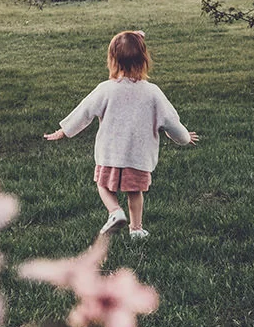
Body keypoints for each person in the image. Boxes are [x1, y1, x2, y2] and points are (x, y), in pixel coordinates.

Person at [44, 30, 198, 239]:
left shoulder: (106, 89)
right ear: (144, 60)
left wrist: (65, 130)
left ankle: (115, 212)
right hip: (138, 156)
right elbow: (171, 121)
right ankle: (136, 229)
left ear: (112, 60)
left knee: (103, 185)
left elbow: (84, 111)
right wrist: (184, 137)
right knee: (135, 193)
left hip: (110, 154)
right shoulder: (153, 92)